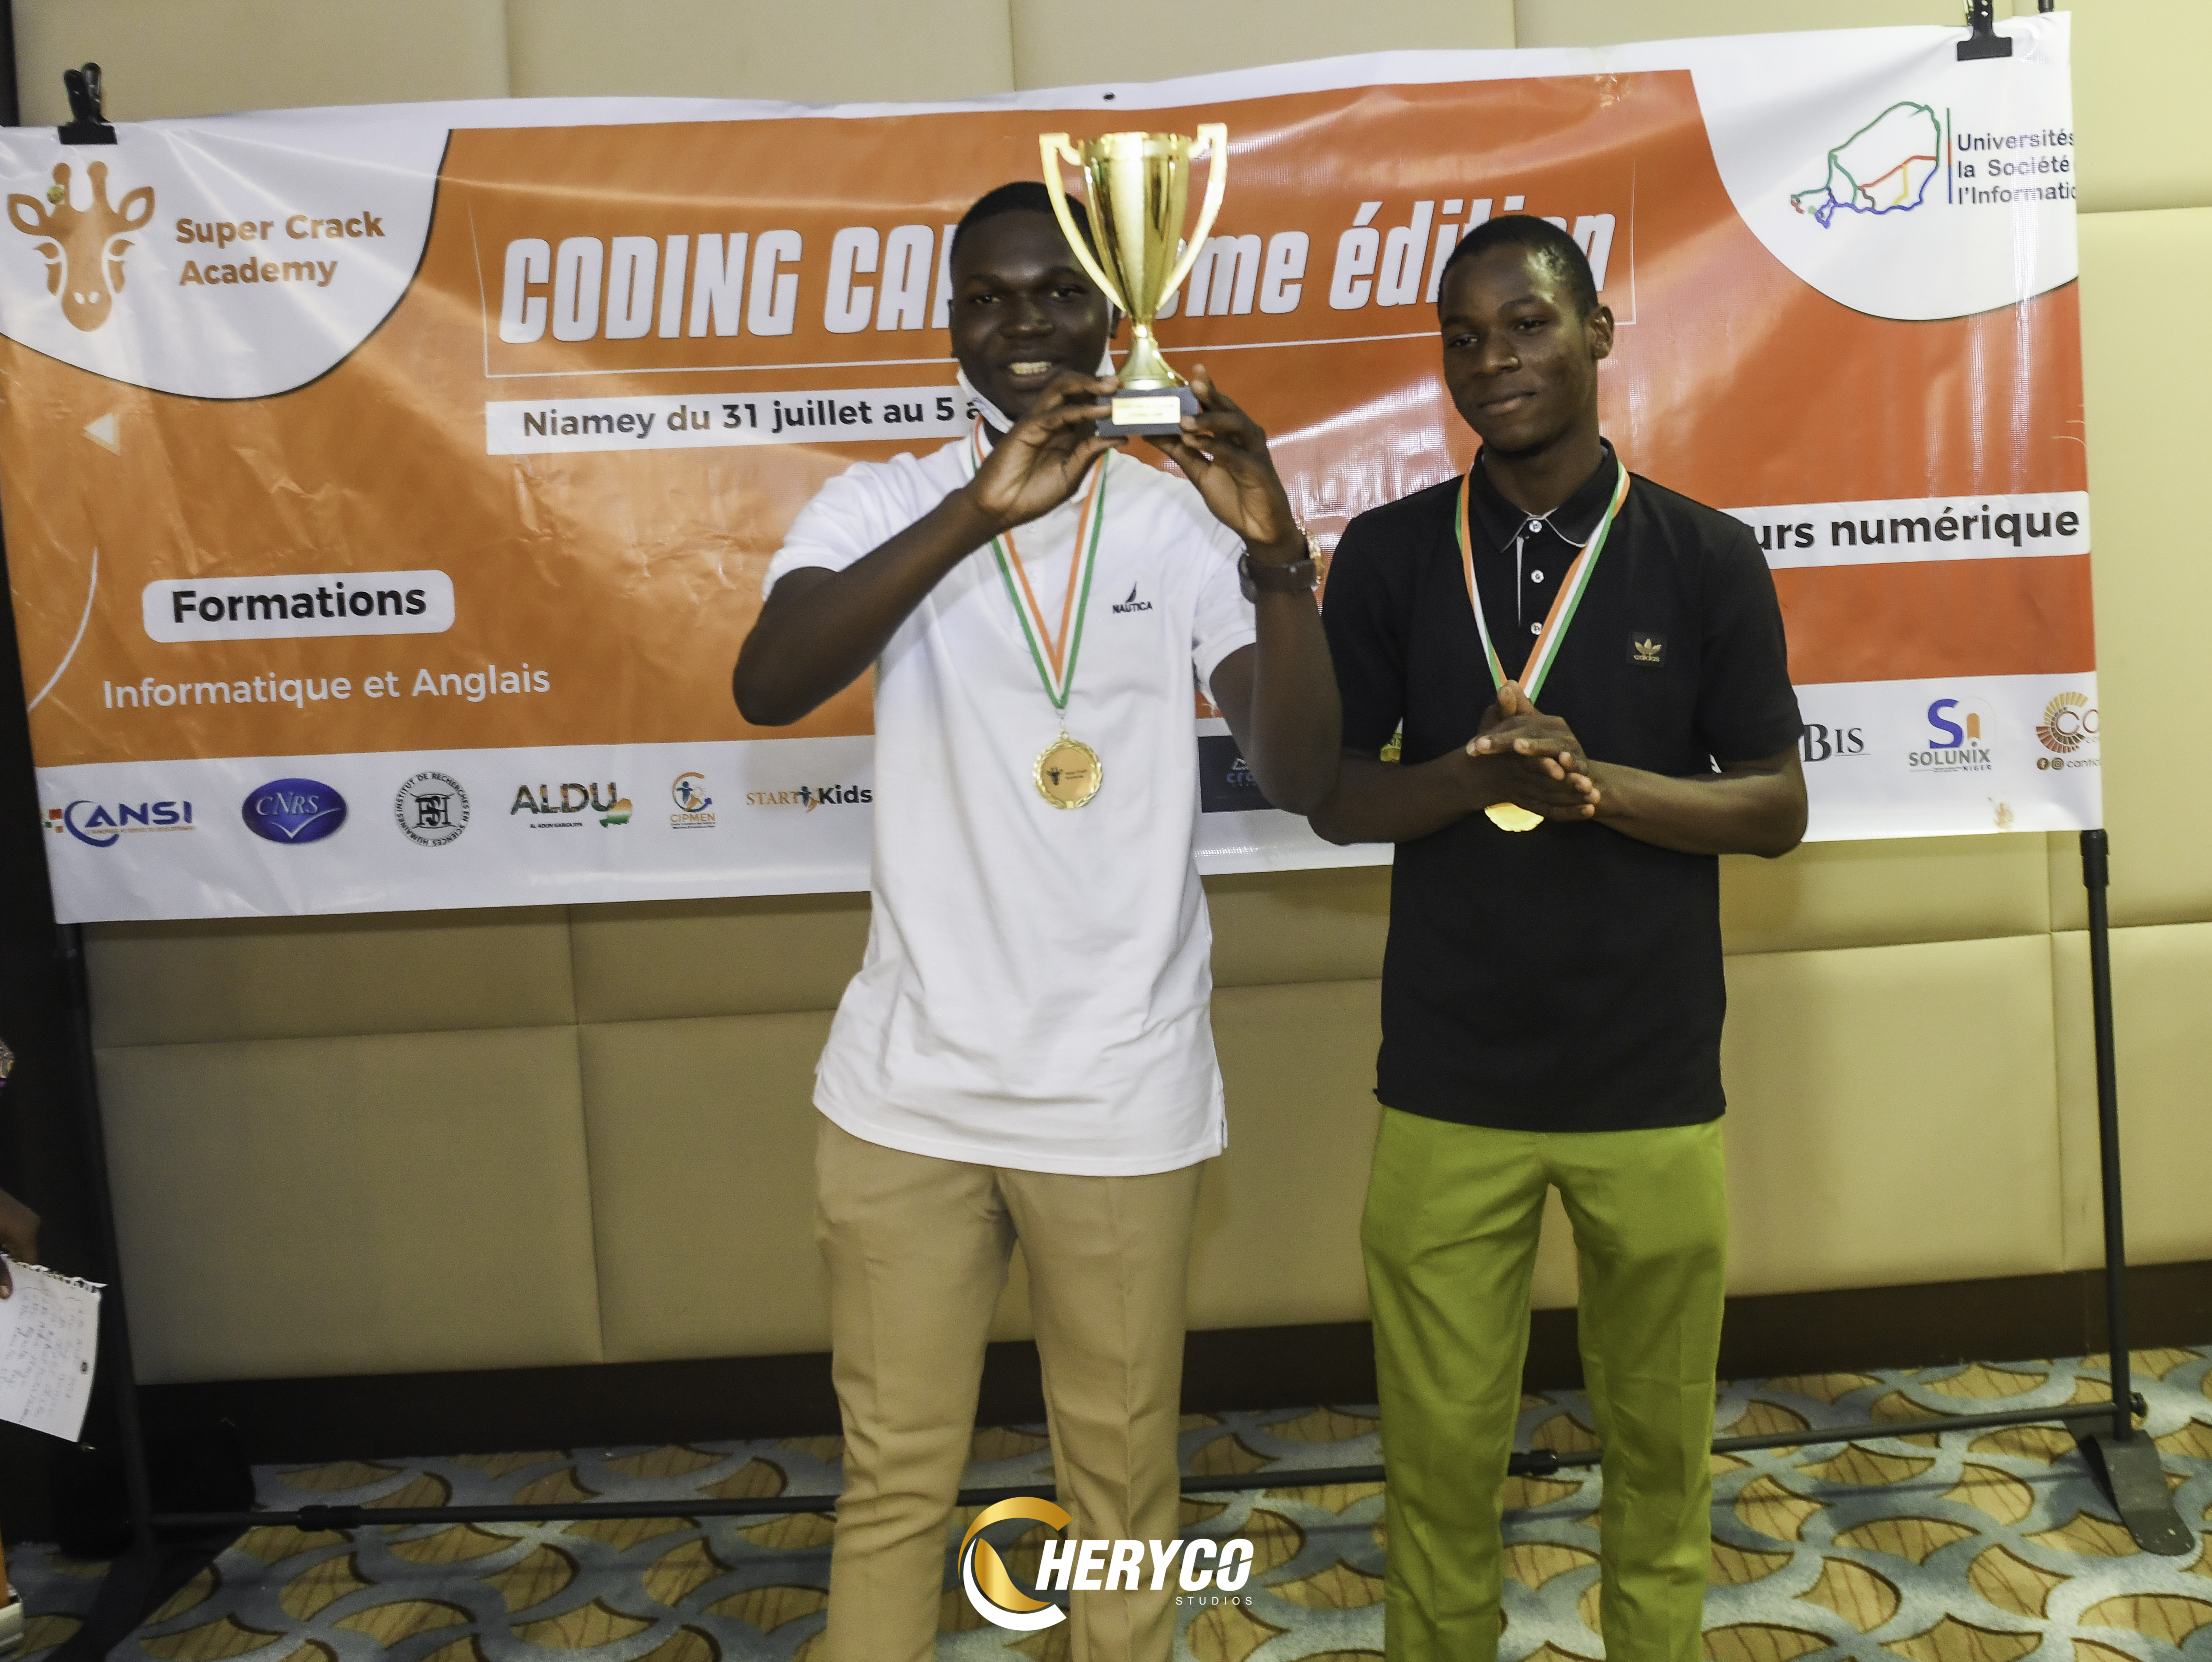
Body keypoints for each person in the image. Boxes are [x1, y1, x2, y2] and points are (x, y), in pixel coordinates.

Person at [732, 181, 1339, 1662]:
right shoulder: (878, 502)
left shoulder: (1174, 521)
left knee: (1119, 1489)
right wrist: (972, 513)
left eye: (1057, 293)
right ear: (950, 322)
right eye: (987, 299)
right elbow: (770, 682)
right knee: (892, 1484)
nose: (1022, 326)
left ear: (1111, 314)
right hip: (907, 1091)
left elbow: (1304, 770)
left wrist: (1275, 557)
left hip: (1114, 1092)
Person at [1308, 215, 1807, 1662]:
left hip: (1649, 1082)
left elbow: (1772, 806)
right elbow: (1335, 797)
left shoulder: (1704, 554)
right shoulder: (1392, 553)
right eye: (1462, 338)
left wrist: (1599, 788)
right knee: (1436, 1456)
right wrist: (1474, 779)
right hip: (1446, 1083)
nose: (1493, 360)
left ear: (1596, 333)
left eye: (1525, 324)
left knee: (1658, 1447)